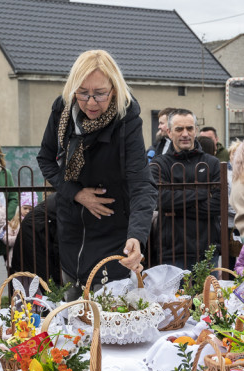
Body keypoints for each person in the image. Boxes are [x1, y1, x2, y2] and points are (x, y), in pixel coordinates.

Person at [36, 49, 156, 289]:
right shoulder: (62, 110)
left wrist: (136, 236)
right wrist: (77, 194)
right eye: (82, 93)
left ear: (114, 89)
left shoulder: (127, 118)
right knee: (72, 312)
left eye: (100, 94)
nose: (91, 102)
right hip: (71, 226)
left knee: (108, 312)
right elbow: (46, 159)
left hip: (112, 228)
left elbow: (141, 183)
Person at [150, 108, 222, 269]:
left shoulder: (212, 163)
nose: (185, 134)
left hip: (207, 249)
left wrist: (176, 209)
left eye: (189, 128)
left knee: (208, 295)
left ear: (196, 130)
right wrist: (203, 193)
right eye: (179, 129)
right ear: (169, 132)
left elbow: (218, 204)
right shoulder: (159, 164)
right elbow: (160, 200)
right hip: (172, 249)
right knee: (173, 295)